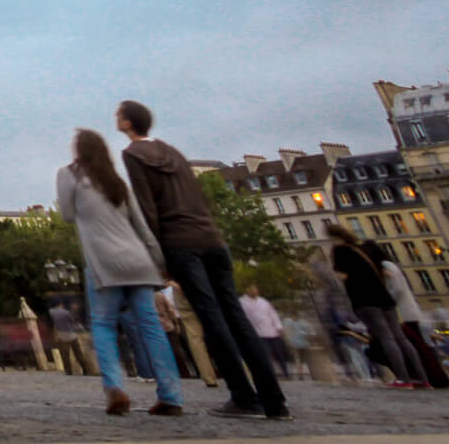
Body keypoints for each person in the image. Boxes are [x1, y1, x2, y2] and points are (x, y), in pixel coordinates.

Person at [117, 100, 290, 420]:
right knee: (236, 317)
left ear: (128, 124)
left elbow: (147, 207)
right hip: (212, 238)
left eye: (119, 116)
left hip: (181, 242)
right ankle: (275, 401)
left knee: (211, 319)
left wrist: (158, 258)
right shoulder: (174, 153)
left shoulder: (132, 155)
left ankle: (243, 396)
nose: (117, 119)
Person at [57, 127, 185, 416]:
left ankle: (115, 388)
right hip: (139, 261)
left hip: (104, 264)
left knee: (103, 325)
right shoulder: (117, 183)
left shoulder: (70, 175)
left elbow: (66, 214)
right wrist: (159, 264)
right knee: (151, 326)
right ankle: (171, 395)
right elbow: (142, 228)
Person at [328, 224, 427, 387]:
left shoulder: (340, 252)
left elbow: (342, 277)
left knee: (386, 338)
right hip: (385, 298)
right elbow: (388, 269)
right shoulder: (369, 246)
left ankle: (403, 378)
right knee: (400, 337)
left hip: (365, 300)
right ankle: (421, 378)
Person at [380, 259, 449, 388]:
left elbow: (397, 289)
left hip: (405, 314)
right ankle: (432, 379)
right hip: (408, 313)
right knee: (420, 347)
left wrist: (386, 301)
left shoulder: (386, 266)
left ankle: (430, 379)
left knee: (418, 348)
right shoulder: (390, 267)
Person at [239, 284, 292, 381]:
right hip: (258, 333)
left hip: (272, 331)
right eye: (253, 289)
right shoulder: (243, 302)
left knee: (279, 354)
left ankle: (286, 373)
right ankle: (271, 374)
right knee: (266, 354)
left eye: (256, 289)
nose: (255, 291)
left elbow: (273, 314)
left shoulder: (263, 301)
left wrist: (278, 327)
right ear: (247, 290)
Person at [49, 301, 89, 375]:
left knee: (65, 356)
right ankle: (85, 370)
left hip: (62, 337)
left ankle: (68, 371)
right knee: (78, 354)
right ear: (61, 305)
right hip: (72, 336)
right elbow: (73, 323)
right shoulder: (67, 313)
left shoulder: (51, 312)